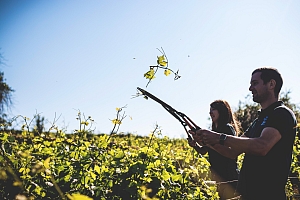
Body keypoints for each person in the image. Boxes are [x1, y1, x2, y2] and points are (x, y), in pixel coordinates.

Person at [191, 67, 297, 200]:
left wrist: (218, 137)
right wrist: (208, 140)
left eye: (255, 83)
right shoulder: (257, 121)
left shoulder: (281, 113)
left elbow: (262, 146)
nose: (250, 88)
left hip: (268, 195)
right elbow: (232, 152)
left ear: (271, 84)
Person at [188, 100, 241, 200]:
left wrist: (207, 141)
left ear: (222, 111)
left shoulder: (227, 128)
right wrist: (194, 145)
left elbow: (230, 151)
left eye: (214, 109)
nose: (210, 112)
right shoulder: (213, 132)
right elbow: (204, 151)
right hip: (218, 177)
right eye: (210, 110)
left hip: (229, 178)